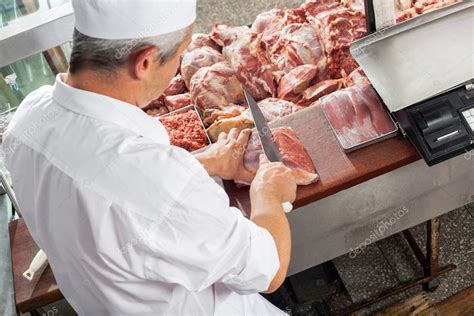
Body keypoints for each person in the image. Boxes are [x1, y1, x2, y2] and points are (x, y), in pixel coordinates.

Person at [3, 0, 297, 315]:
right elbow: (269, 268)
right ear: (144, 62)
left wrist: (198, 163)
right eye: (180, 55)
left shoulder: (27, 121)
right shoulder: (157, 185)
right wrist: (268, 191)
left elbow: (108, 201)